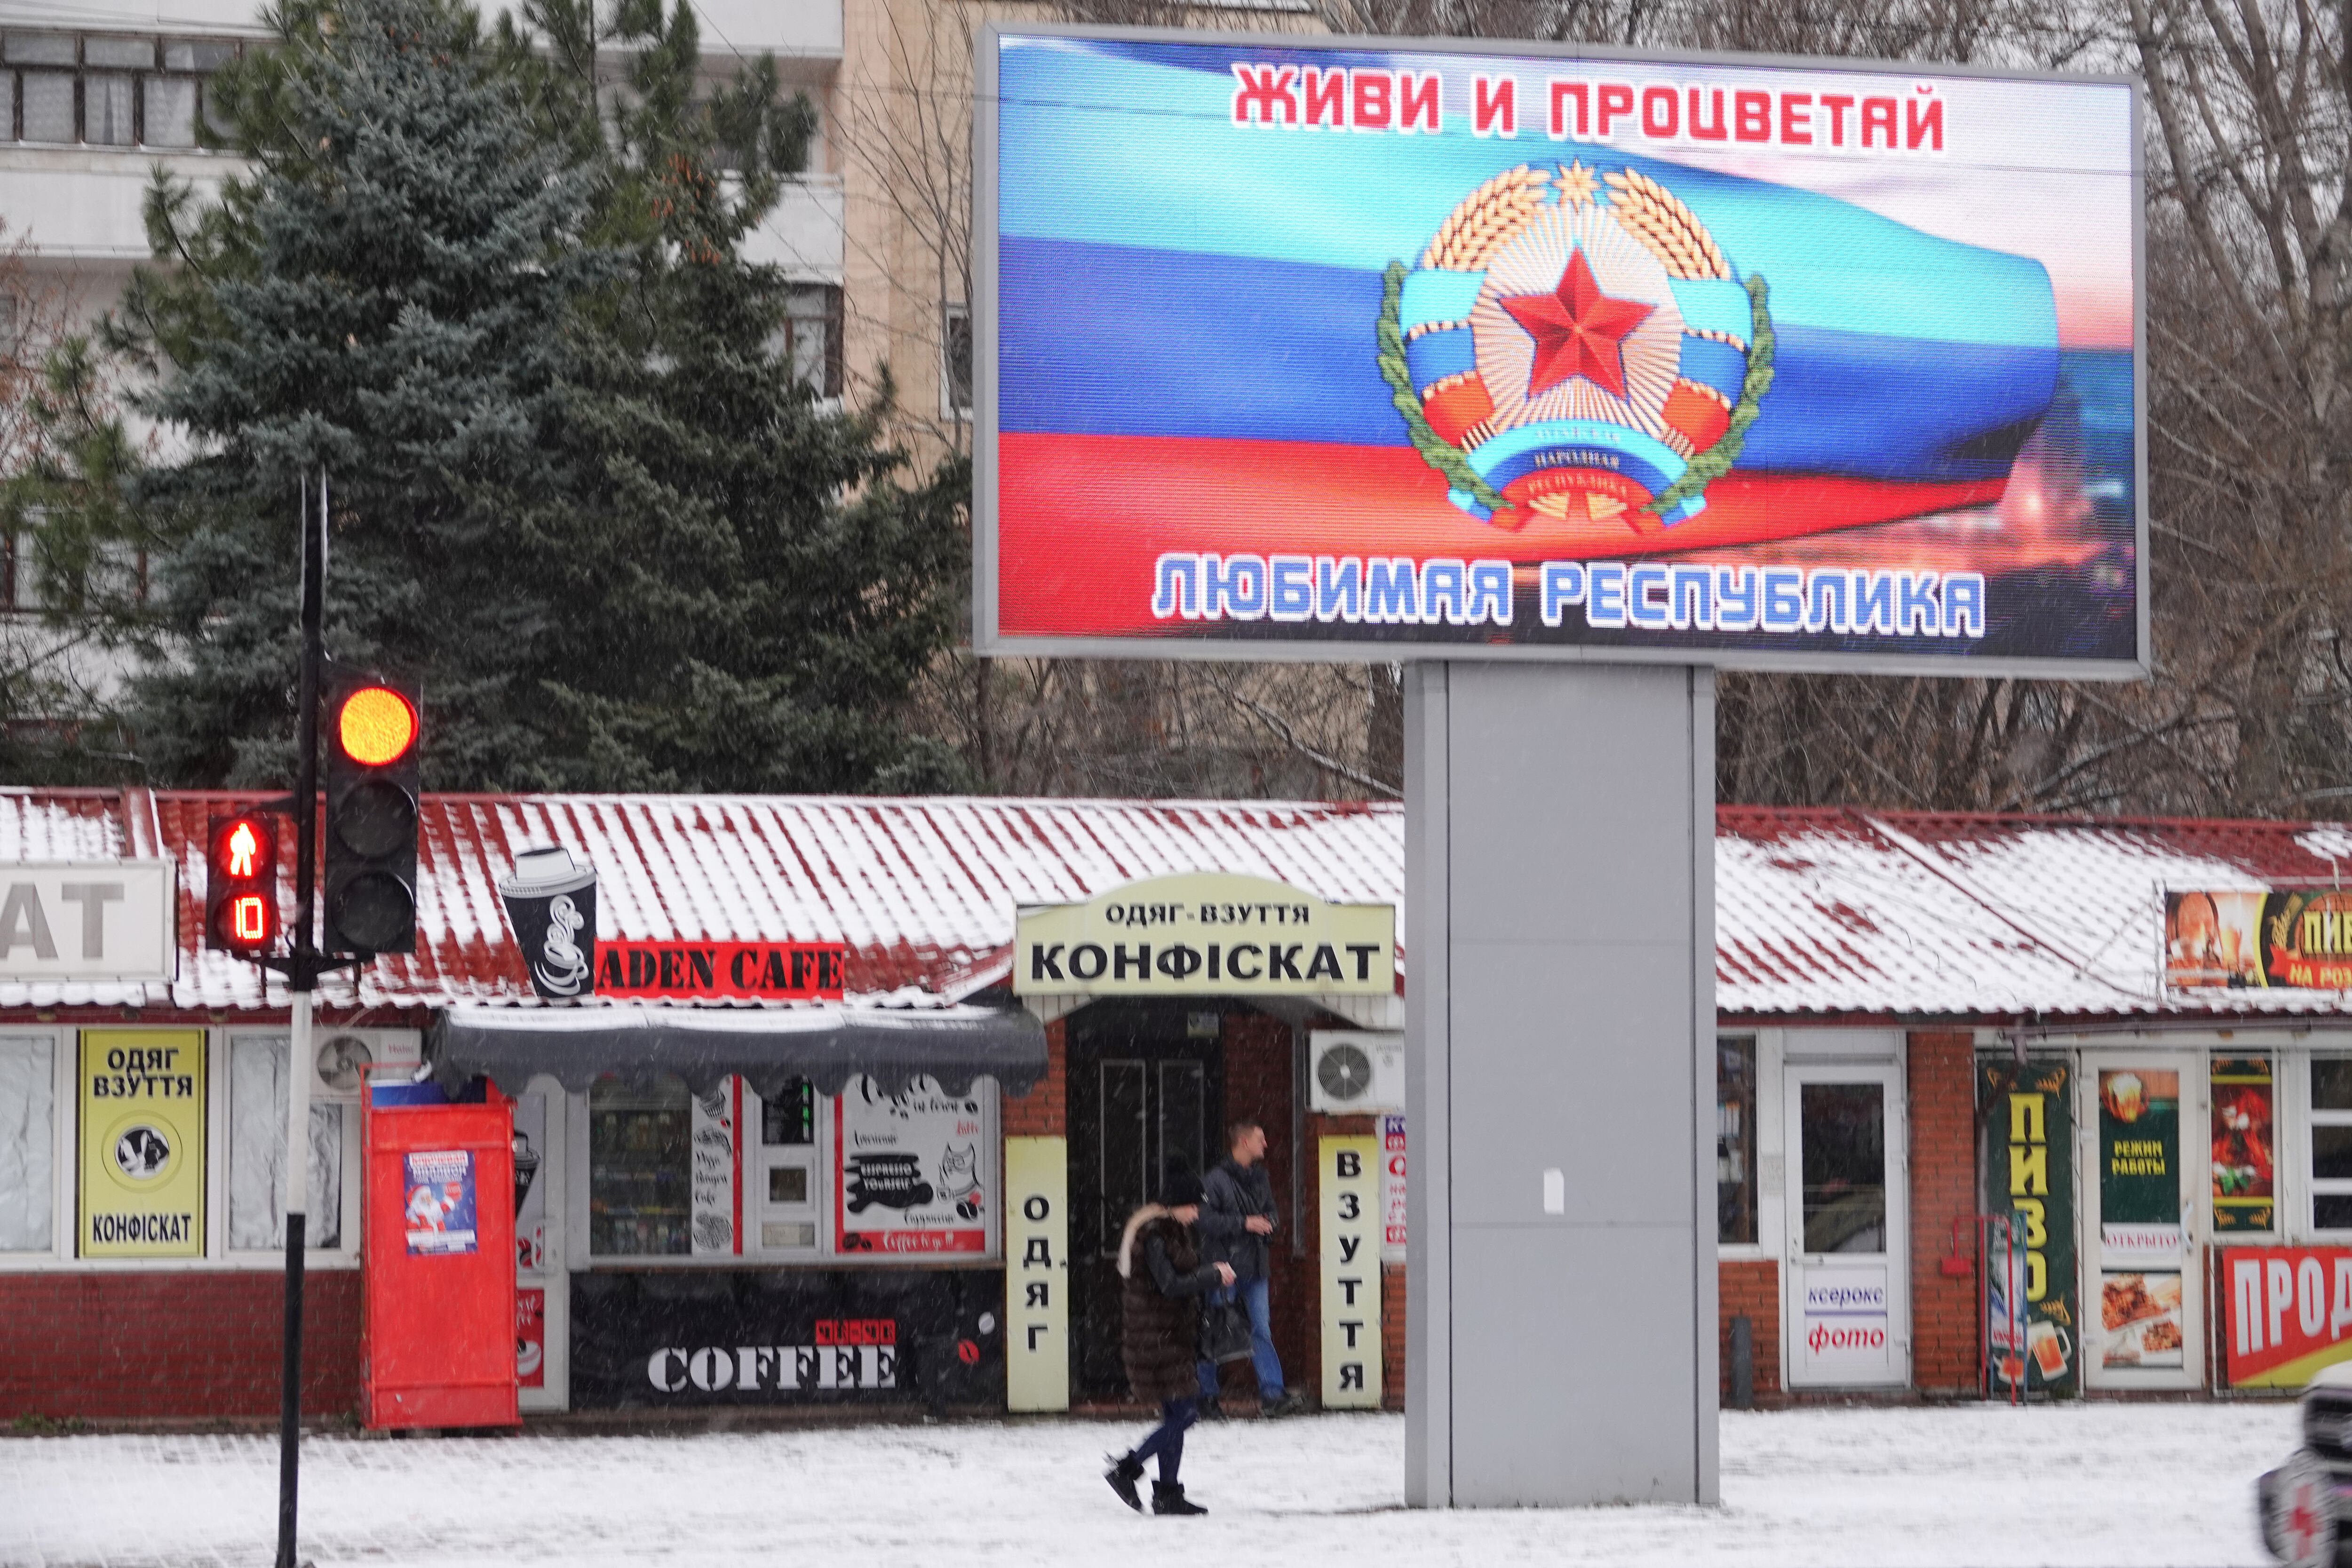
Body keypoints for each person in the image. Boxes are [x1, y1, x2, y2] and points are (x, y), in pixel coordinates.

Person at [1105, 1167, 1232, 1517]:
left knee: (1176, 1415)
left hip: (1166, 1336)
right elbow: (1171, 1285)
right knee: (1187, 1415)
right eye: (1193, 1206)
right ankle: (1127, 1468)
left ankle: (1168, 1494)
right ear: (1175, 1205)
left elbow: (1178, 1278)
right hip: (1160, 1341)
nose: (1197, 1212)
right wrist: (1212, 1275)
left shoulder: (1166, 1231)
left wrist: (1211, 1270)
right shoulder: (1157, 1236)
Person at [1195, 1119, 1302, 1417]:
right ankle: (1206, 1398)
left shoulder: (1260, 1178)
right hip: (1224, 1268)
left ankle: (1272, 1395)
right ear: (1244, 1143)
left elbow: (1272, 1212)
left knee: (1260, 1330)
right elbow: (1204, 1221)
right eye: (1260, 1139)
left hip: (1254, 1266)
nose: (1265, 1144)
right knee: (1216, 1329)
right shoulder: (1215, 1180)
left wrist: (1270, 1224)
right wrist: (1245, 1223)